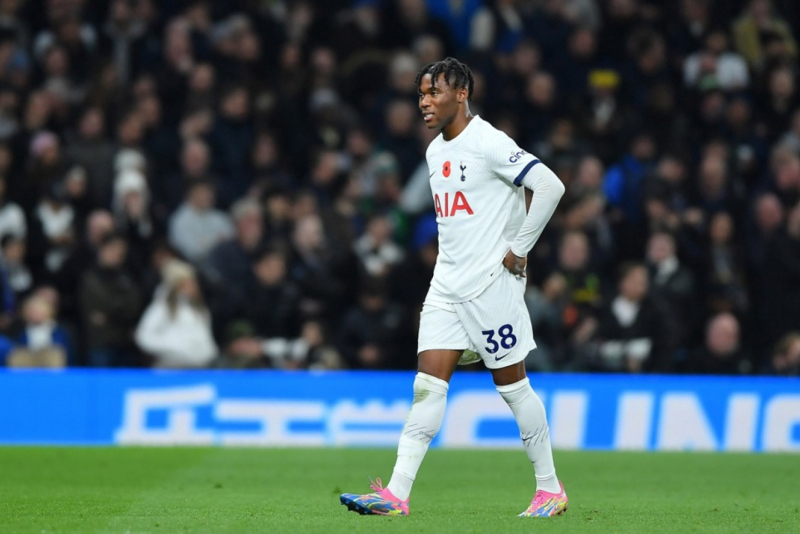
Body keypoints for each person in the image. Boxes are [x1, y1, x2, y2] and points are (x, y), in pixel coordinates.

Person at [340, 57, 567, 517]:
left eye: (434, 93)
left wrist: (520, 248)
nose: (424, 102)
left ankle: (550, 490)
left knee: (513, 388)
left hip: (491, 287)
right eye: (421, 94)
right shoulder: (434, 152)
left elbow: (550, 186)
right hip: (446, 286)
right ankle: (396, 495)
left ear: (461, 94)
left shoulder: (489, 142)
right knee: (427, 387)